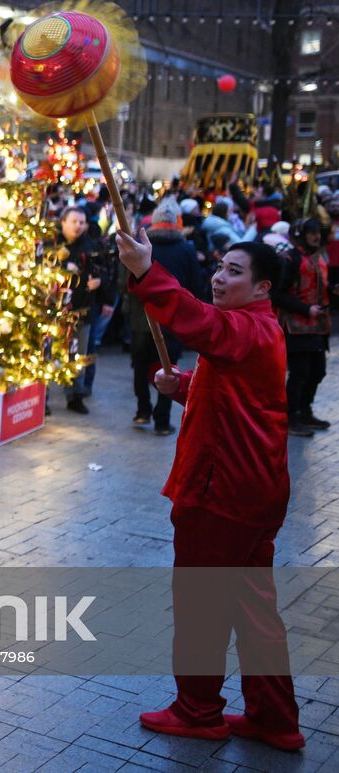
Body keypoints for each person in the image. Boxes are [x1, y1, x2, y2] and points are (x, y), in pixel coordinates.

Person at [116, 231, 303, 753]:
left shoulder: (248, 328)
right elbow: (238, 402)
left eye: (235, 271)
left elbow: (198, 321)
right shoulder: (260, 330)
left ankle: (198, 711)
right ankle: (274, 717)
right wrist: (186, 389)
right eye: (220, 267)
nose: (220, 277)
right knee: (253, 608)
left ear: (263, 286)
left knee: (202, 605)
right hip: (255, 492)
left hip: (223, 494)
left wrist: (146, 271)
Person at [124, 198, 200, 436]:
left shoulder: (138, 248)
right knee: (169, 369)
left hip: (140, 318)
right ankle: (161, 419)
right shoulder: (186, 250)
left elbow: (123, 282)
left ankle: (142, 410)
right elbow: (195, 286)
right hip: (171, 320)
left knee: (140, 366)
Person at [274, 217, 330, 437]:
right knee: (300, 372)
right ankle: (290, 416)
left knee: (318, 371)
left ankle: (305, 410)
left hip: (318, 326)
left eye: (318, 232)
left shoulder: (320, 256)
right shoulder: (290, 259)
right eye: (312, 232)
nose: (317, 236)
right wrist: (305, 309)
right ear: (301, 234)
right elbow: (277, 294)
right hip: (296, 326)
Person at [58, 206, 114, 414]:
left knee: (78, 354)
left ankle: (75, 395)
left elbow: (106, 272)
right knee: (50, 353)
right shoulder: (54, 245)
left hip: (82, 310)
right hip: (54, 311)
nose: (78, 226)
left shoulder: (92, 246)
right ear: (63, 222)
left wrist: (100, 283)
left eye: (81, 222)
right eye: (74, 221)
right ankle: (42, 398)